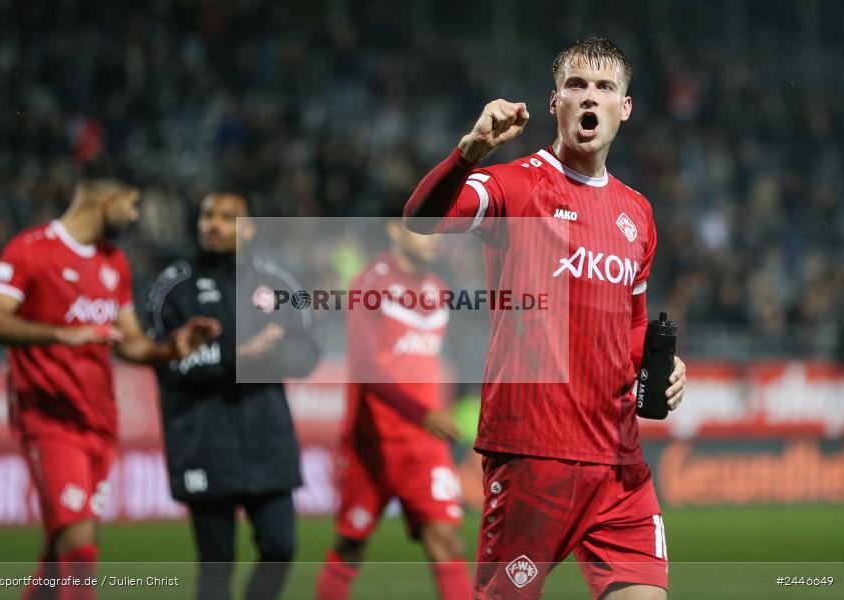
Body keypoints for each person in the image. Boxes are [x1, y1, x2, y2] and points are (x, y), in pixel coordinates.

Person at [403, 36, 688, 600]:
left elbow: (630, 325)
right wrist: (469, 152)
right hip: (535, 456)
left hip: (618, 463)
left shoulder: (637, 213)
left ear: (624, 108)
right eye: (576, 85)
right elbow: (420, 220)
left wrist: (661, 365)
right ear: (555, 100)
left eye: (605, 88)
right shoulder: (514, 185)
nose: (590, 98)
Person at [0, 161, 220, 600]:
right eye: (132, 205)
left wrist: (170, 350)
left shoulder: (113, 262)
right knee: (81, 550)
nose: (137, 216)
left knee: (59, 555)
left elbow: (131, 342)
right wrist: (60, 334)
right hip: (48, 420)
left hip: (98, 423)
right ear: (107, 202)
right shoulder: (31, 250)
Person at [147, 192, 319, 600]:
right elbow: (163, 360)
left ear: (249, 227)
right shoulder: (173, 286)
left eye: (227, 217)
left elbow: (306, 351)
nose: (214, 225)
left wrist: (271, 353)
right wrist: (240, 357)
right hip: (205, 441)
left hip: (267, 438)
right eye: (208, 215)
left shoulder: (278, 282)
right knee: (216, 568)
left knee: (281, 548)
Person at [315, 212, 471, 600]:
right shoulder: (370, 284)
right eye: (423, 228)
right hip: (374, 441)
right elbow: (366, 367)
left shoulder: (438, 287)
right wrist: (422, 413)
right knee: (351, 546)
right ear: (392, 230)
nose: (434, 237)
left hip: (426, 446)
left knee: (447, 542)